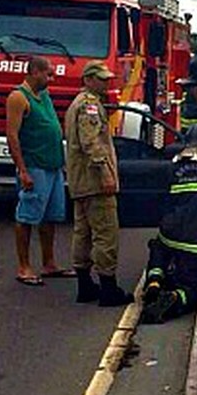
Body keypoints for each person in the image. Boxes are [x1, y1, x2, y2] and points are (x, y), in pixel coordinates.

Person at [142, 124, 197, 324]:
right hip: (196, 240)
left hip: (170, 233)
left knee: (157, 249)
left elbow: (162, 201)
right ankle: (175, 299)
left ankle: (154, 280)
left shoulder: (172, 168)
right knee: (190, 287)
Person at [65, 61, 133, 307]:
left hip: (79, 181)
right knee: (106, 233)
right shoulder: (90, 106)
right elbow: (91, 142)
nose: (107, 83)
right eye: (102, 80)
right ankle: (108, 288)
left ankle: (85, 285)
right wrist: (105, 171)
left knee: (82, 232)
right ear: (89, 80)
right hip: (94, 181)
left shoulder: (77, 104)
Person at [6, 56, 74, 286]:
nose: (51, 78)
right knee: (27, 215)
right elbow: (12, 135)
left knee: (51, 216)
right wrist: (23, 170)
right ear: (35, 72)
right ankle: (24, 266)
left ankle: (49, 262)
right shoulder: (18, 97)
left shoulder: (44, 96)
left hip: (53, 165)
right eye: (48, 74)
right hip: (35, 165)